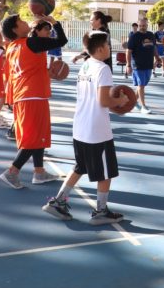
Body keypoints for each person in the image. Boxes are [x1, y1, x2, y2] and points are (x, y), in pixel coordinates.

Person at [42, 31, 130, 224]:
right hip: (96, 130)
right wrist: (121, 100)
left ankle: (58, 201)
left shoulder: (86, 65)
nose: (109, 48)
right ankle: (101, 211)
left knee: (80, 167)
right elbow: (104, 100)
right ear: (100, 49)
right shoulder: (103, 69)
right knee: (106, 172)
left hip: (80, 126)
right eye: (107, 45)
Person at [0, 13, 68, 189]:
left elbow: (28, 69)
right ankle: (12, 172)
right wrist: (53, 22)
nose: (25, 22)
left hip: (25, 95)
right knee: (32, 138)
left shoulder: (13, 46)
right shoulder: (31, 42)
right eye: (21, 21)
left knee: (39, 136)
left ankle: (39, 172)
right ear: (15, 29)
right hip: (32, 95)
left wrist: (46, 72)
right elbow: (61, 41)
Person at [126, 18, 161, 112]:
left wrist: (157, 58)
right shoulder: (134, 36)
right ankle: (143, 107)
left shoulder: (151, 35)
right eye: (140, 26)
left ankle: (131, 102)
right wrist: (128, 65)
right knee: (141, 85)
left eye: (144, 25)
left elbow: (154, 47)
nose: (142, 27)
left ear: (147, 25)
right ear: (138, 26)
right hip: (137, 65)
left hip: (149, 64)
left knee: (142, 85)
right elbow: (128, 51)